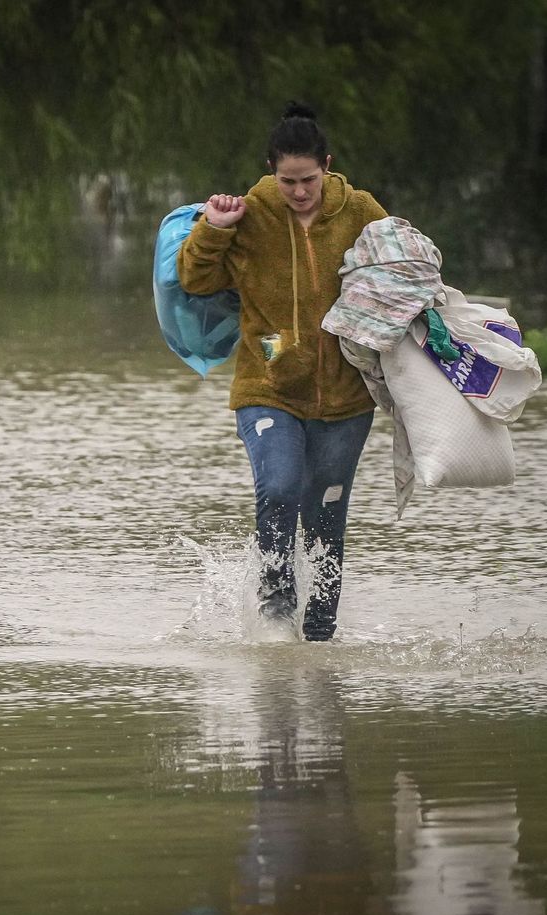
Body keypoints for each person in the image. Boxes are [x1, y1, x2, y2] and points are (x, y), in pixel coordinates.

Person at [178, 102, 387, 642]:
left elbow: (401, 272)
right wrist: (215, 228)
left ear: (328, 165)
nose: (299, 191)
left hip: (347, 398)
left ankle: (319, 638)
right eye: (287, 180)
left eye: (309, 180)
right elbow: (195, 280)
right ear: (271, 170)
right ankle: (274, 611)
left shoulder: (361, 210)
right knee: (279, 486)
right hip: (266, 385)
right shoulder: (251, 213)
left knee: (326, 519)